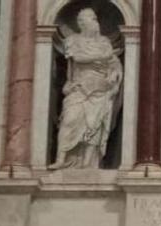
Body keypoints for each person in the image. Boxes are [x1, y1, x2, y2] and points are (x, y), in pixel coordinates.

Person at [50, 8, 122, 169]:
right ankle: (61, 159)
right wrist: (102, 57)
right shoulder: (72, 40)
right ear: (81, 23)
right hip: (79, 87)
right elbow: (78, 58)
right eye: (91, 19)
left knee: (94, 127)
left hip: (100, 89)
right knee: (69, 120)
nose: (95, 22)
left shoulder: (104, 42)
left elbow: (113, 62)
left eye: (96, 18)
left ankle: (89, 164)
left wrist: (114, 75)